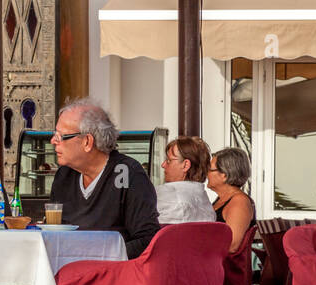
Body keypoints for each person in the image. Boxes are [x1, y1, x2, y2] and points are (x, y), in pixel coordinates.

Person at [48, 98, 160, 259]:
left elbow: (147, 239)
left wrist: (100, 257)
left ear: (87, 142)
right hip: (68, 272)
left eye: (61, 136)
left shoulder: (130, 174)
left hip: (113, 276)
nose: (53, 141)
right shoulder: (64, 175)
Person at [157, 136, 216, 224]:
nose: (163, 165)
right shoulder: (208, 208)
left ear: (185, 165)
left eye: (169, 161)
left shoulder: (163, 195)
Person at [209, 147, 256, 253]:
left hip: (227, 268)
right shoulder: (222, 199)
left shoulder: (239, 201)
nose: (206, 173)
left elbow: (232, 245)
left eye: (210, 169)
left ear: (224, 175)